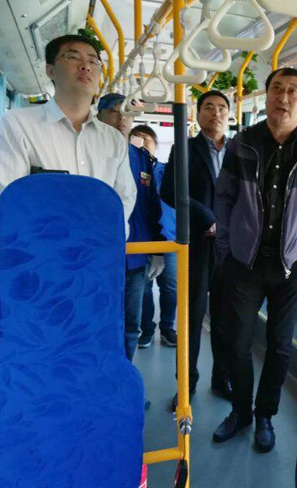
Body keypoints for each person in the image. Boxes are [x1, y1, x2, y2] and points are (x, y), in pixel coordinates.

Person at [212, 68, 297, 453]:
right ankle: (240, 411)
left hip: (290, 267)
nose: (284, 97)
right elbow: (224, 198)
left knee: (279, 347)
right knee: (237, 343)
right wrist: (227, 248)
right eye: (277, 88)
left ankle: (265, 416)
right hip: (244, 264)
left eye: (293, 91)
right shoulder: (242, 144)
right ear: (266, 96)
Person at [0, 35, 136, 235]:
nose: (85, 66)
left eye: (93, 61)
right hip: (40, 247)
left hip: (99, 247)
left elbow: (124, 197)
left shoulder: (113, 139)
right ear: (50, 70)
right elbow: (11, 200)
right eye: (73, 57)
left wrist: (106, 236)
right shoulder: (17, 124)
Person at [161, 90, 233, 411]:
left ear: (229, 115)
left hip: (231, 247)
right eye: (209, 107)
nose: (216, 113)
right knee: (190, 318)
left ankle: (222, 378)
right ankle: (186, 385)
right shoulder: (185, 148)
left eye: (222, 108)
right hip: (198, 243)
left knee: (225, 318)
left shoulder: (239, 151)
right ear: (198, 113)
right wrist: (208, 218)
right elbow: (171, 191)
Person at [97, 94, 165, 363]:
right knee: (99, 320)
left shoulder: (140, 157)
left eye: (127, 113)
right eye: (115, 112)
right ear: (99, 115)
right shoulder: (89, 152)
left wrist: (157, 248)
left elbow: (150, 205)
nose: (122, 119)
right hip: (98, 254)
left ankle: (124, 375)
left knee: (131, 324)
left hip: (136, 252)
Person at [131, 125, 178, 348]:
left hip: (168, 237)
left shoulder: (167, 172)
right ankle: (146, 329)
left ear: (155, 145)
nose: (141, 142)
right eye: (136, 138)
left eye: (146, 139)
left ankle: (168, 327)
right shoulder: (129, 170)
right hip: (142, 239)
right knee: (144, 289)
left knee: (170, 287)